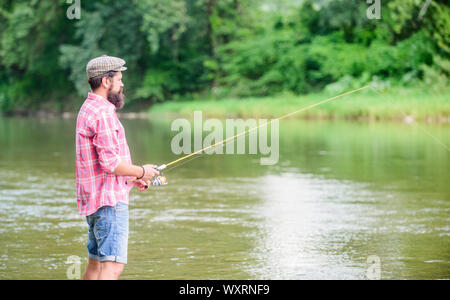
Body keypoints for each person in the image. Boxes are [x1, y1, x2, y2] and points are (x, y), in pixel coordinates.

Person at [75, 55, 159, 280]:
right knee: (112, 268)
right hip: (109, 203)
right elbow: (110, 163)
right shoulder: (103, 113)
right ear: (105, 81)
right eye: (119, 79)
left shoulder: (87, 108)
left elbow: (103, 163)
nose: (122, 84)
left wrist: (133, 177)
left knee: (95, 265)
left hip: (94, 202)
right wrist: (142, 171)